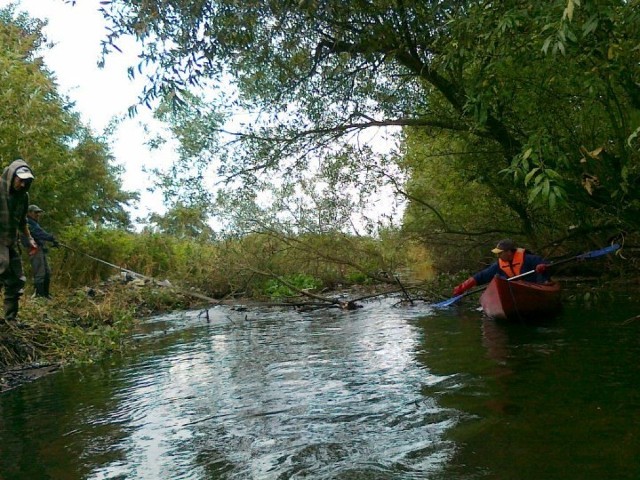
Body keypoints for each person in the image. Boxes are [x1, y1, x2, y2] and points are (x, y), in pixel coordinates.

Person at [0, 159, 38, 325]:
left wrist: (29, 239)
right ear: (12, 176)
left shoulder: (24, 197)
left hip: (11, 241)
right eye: (20, 180)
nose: (22, 184)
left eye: (26, 182)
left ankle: (10, 319)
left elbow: (22, 221)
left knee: (16, 278)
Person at [453, 239, 550, 296]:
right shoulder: (499, 265)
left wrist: (542, 266)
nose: (498, 256)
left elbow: (547, 264)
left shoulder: (529, 259)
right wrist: (462, 288)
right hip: (515, 293)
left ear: (509, 252)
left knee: (544, 278)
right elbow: (481, 276)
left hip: (533, 290)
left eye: (500, 253)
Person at [22, 204, 58, 298]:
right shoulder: (28, 222)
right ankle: (39, 295)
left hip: (40, 248)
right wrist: (52, 238)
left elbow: (41, 234)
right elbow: (39, 233)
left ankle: (46, 294)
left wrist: (52, 240)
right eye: (35, 212)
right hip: (33, 249)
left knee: (47, 272)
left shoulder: (34, 223)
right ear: (29, 213)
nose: (38, 214)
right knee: (40, 272)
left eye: (39, 213)